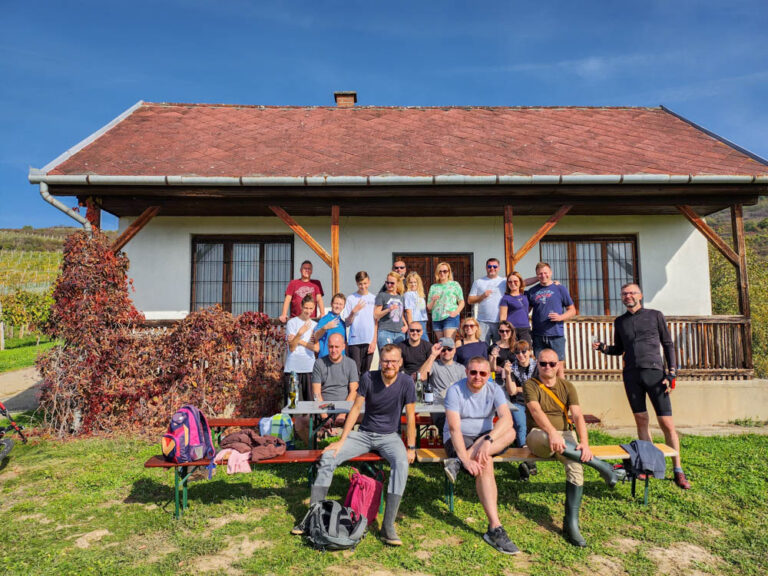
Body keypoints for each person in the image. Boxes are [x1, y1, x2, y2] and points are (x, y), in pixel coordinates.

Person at [295, 345, 416, 546]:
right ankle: (313, 519)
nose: (389, 365)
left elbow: (410, 416)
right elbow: (356, 408)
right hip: (365, 434)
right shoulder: (369, 377)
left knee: (402, 464)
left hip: (390, 436)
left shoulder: (406, 382)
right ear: (381, 362)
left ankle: (388, 526)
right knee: (328, 457)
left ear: (400, 362)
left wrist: (410, 447)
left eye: (394, 361)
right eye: (386, 360)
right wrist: (342, 440)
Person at [593, 283, 690, 489]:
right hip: (631, 375)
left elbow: (668, 344)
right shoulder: (620, 322)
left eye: (631, 293)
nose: (628, 296)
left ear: (640, 295)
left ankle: (678, 469)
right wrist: (603, 348)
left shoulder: (655, 315)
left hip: (655, 374)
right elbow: (619, 349)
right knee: (641, 420)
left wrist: (671, 373)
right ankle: (647, 466)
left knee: (666, 423)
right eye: (624, 293)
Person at [525, 348, 623, 547]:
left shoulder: (567, 386)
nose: (547, 367)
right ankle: (603, 467)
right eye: (543, 363)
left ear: (558, 365)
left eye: (552, 363)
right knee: (545, 435)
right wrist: (552, 432)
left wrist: (584, 443)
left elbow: (577, 415)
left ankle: (571, 524)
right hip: (539, 436)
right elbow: (535, 411)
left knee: (576, 470)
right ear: (538, 365)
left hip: (565, 437)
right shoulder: (530, 385)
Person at [442, 356, 520, 555]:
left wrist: (488, 440)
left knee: (510, 432)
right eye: (473, 372)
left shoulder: (494, 389)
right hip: (459, 439)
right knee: (486, 463)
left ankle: (456, 464)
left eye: (482, 373)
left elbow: (506, 418)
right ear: (466, 372)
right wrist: (467, 458)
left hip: (485, 437)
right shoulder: (455, 390)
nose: (477, 376)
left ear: (488, 375)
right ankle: (494, 527)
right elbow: (454, 428)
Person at [294, 333, 359, 445]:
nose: (333, 350)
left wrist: (343, 413)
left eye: (337, 347)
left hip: (345, 405)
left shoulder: (351, 363)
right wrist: (324, 416)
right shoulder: (319, 363)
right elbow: (317, 393)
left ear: (343, 347)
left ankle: (358, 449)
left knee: (372, 416)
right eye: (331, 346)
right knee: (300, 422)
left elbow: (354, 391)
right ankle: (316, 447)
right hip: (326, 405)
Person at [527, 262, 576, 378]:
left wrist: (560, 317)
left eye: (545, 273)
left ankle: (561, 395)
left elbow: (572, 310)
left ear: (551, 273)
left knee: (558, 367)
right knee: (540, 367)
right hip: (538, 334)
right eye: (540, 274)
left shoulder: (560, 288)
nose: (543, 276)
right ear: (536, 275)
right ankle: (543, 394)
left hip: (556, 333)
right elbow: (526, 311)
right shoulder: (532, 291)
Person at [418, 337, 466, 438]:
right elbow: (421, 376)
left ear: (454, 350)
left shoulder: (461, 368)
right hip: (440, 408)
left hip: (457, 408)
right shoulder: (434, 365)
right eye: (443, 350)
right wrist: (433, 355)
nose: (446, 352)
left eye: (449, 349)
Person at [505, 339, 538, 479]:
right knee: (520, 426)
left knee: (533, 429)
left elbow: (539, 388)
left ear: (530, 351)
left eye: (524, 351)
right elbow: (512, 391)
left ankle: (528, 462)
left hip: (535, 402)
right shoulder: (512, 369)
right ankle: (528, 462)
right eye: (517, 352)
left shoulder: (538, 367)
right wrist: (507, 374)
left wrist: (521, 388)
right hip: (518, 403)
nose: (521, 355)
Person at [284, 295, 318, 404]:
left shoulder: (315, 325)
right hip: (292, 368)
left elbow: (316, 348)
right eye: (306, 308)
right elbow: (292, 348)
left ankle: (310, 422)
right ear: (301, 307)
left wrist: (298, 340)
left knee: (310, 404)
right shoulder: (292, 323)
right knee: (291, 404)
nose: (308, 311)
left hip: (309, 367)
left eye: (311, 308)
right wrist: (300, 333)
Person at [343, 271, 377, 376]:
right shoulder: (351, 298)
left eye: (365, 283)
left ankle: (364, 393)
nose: (363, 286)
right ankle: (354, 392)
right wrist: (353, 312)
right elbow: (347, 323)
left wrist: (374, 341)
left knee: (366, 373)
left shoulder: (374, 298)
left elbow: (376, 321)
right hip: (355, 341)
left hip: (369, 340)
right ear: (357, 283)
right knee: (354, 372)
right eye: (360, 284)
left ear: (369, 282)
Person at [468, 258, 506, 344]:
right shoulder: (478, 282)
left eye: (494, 266)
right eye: (489, 266)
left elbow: (521, 283)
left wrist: (538, 278)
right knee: (483, 348)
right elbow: (470, 300)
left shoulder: (504, 281)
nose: (492, 268)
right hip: (483, 322)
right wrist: (482, 296)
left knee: (499, 349)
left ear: (499, 268)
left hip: (499, 322)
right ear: (486, 268)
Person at [427, 262, 464, 341]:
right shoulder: (433, 287)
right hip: (436, 318)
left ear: (449, 272)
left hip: (450, 317)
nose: (442, 273)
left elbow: (461, 302)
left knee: (448, 343)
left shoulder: (454, 284)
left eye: (445, 271)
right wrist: (433, 300)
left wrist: (456, 312)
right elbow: (429, 307)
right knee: (441, 345)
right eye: (440, 271)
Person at [375, 273, 408, 351]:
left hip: (399, 332)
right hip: (385, 331)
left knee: (398, 358)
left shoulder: (400, 297)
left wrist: (406, 325)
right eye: (387, 282)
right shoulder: (382, 295)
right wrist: (388, 309)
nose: (389, 285)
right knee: (386, 357)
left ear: (398, 283)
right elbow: (376, 315)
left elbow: (401, 314)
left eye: (392, 283)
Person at [499, 271, 533, 345]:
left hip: (525, 329)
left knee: (526, 351)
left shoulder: (526, 295)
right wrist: (505, 331)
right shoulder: (505, 298)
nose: (513, 283)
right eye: (510, 282)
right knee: (513, 352)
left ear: (520, 282)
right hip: (512, 329)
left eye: (515, 281)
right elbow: (502, 317)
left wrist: (554, 283)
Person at [313, 293, 346, 358]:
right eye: (336, 303)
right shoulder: (324, 320)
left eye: (340, 304)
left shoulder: (343, 323)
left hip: (340, 360)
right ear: (331, 304)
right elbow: (316, 336)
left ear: (343, 306)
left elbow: (344, 343)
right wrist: (325, 327)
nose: (338, 306)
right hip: (325, 359)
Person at [403, 272, 429, 341]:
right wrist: (411, 325)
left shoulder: (420, 294)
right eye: (411, 282)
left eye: (415, 282)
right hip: (414, 321)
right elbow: (408, 311)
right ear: (408, 283)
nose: (413, 284)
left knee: (423, 344)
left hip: (422, 321)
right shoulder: (408, 294)